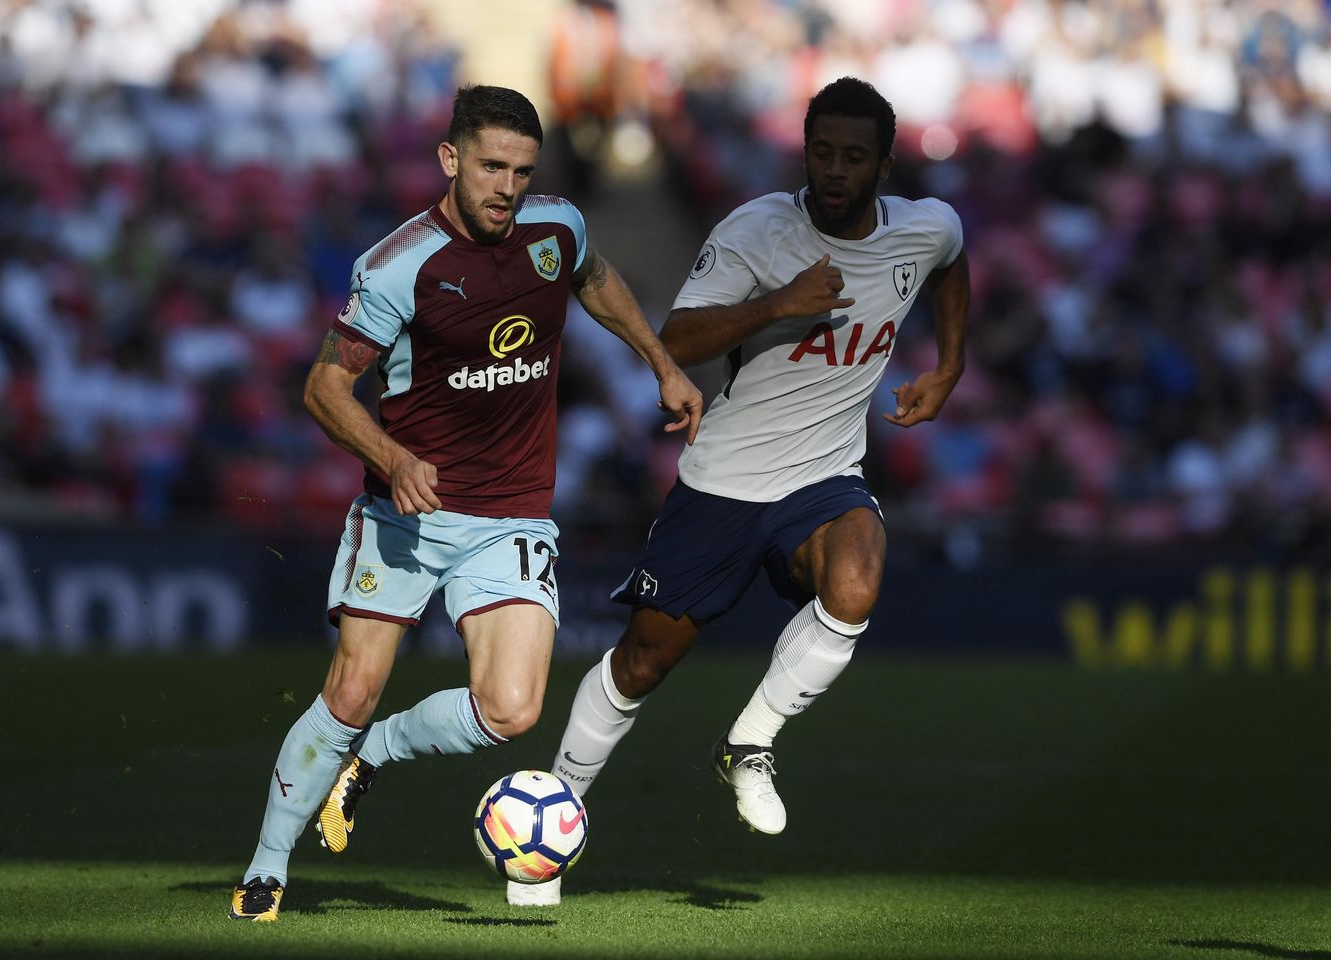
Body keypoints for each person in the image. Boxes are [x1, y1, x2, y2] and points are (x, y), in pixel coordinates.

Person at [229, 84, 702, 921]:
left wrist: (659, 362)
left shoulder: (557, 228)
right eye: (491, 166)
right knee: (349, 692)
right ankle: (268, 866)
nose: (507, 188)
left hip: (512, 513)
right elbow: (324, 386)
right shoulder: (399, 264)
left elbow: (595, 279)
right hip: (405, 514)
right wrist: (391, 454)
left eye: (522, 170)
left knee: (513, 710)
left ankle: (371, 753)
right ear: (450, 160)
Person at [517, 76, 970, 906]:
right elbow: (679, 338)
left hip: (823, 477)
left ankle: (751, 741)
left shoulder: (924, 227)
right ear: (804, 152)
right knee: (643, 661)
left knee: (860, 576)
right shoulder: (757, 229)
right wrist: (779, 304)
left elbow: (950, 264)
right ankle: (554, 817)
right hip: (723, 484)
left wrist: (949, 366)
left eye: (853, 157)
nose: (835, 170)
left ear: (884, 163)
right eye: (822, 152)